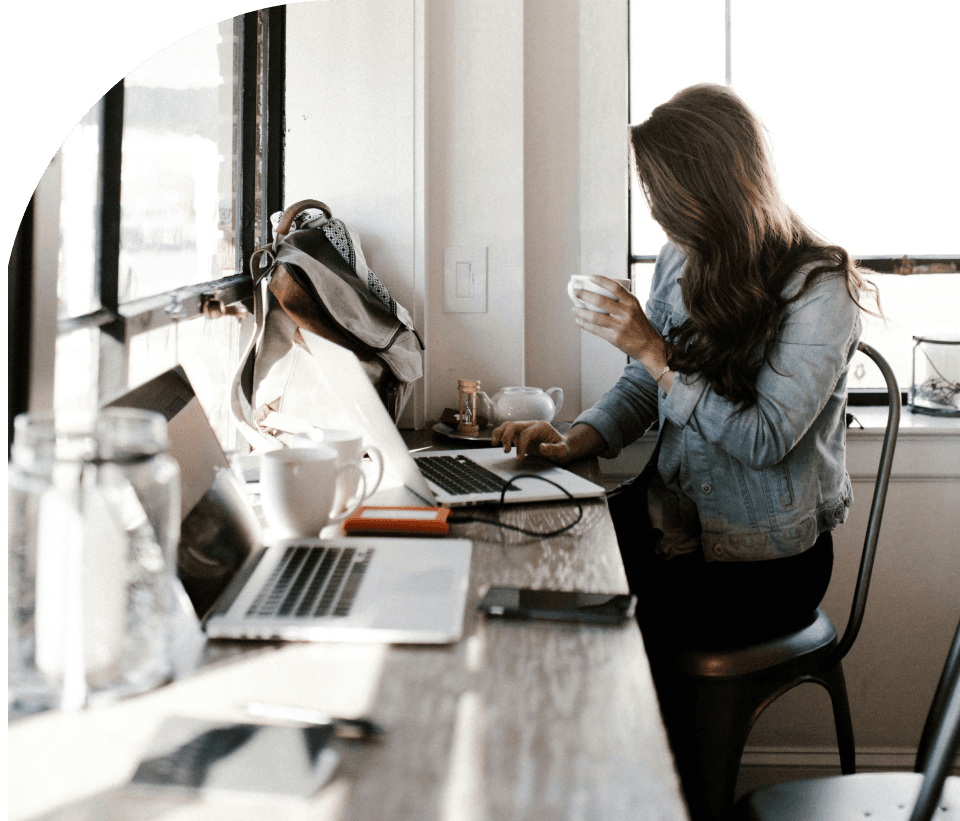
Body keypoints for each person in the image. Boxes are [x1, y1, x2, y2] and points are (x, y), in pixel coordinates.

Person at [492, 81, 879, 654]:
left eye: (666, 198)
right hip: (671, 524)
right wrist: (578, 440)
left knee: (587, 631)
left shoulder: (821, 290)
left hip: (763, 562)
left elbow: (763, 439)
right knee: (527, 561)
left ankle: (639, 741)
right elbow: (644, 382)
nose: (657, 214)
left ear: (715, 190)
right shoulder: (682, 257)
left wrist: (653, 349)